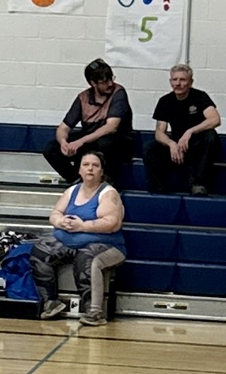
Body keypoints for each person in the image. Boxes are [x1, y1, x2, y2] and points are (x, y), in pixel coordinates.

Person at [30, 150, 126, 326]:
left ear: (102, 171)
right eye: (86, 165)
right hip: (69, 242)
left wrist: (83, 226)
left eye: (95, 166)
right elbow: (55, 213)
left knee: (87, 258)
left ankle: (95, 311)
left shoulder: (108, 194)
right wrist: (61, 222)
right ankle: (51, 302)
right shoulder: (72, 190)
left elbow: (112, 223)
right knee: (40, 251)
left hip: (106, 245)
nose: (90, 169)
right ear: (79, 170)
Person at [42, 58, 133, 185]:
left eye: (111, 79)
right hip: (91, 139)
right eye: (105, 81)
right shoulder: (83, 98)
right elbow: (63, 128)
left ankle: (106, 182)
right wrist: (64, 143)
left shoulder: (118, 93)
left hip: (117, 140)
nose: (110, 84)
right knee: (51, 148)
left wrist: (80, 142)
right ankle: (76, 180)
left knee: (104, 143)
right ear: (93, 83)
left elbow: (111, 127)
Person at [143, 64, 222, 196]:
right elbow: (159, 132)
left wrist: (190, 132)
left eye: (182, 80)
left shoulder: (200, 96)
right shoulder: (165, 101)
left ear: (190, 82)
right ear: (170, 82)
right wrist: (170, 143)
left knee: (210, 135)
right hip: (177, 148)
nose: (178, 84)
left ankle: (198, 183)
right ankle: (158, 189)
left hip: (198, 147)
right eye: (174, 80)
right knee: (149, 147)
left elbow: (215, 119)